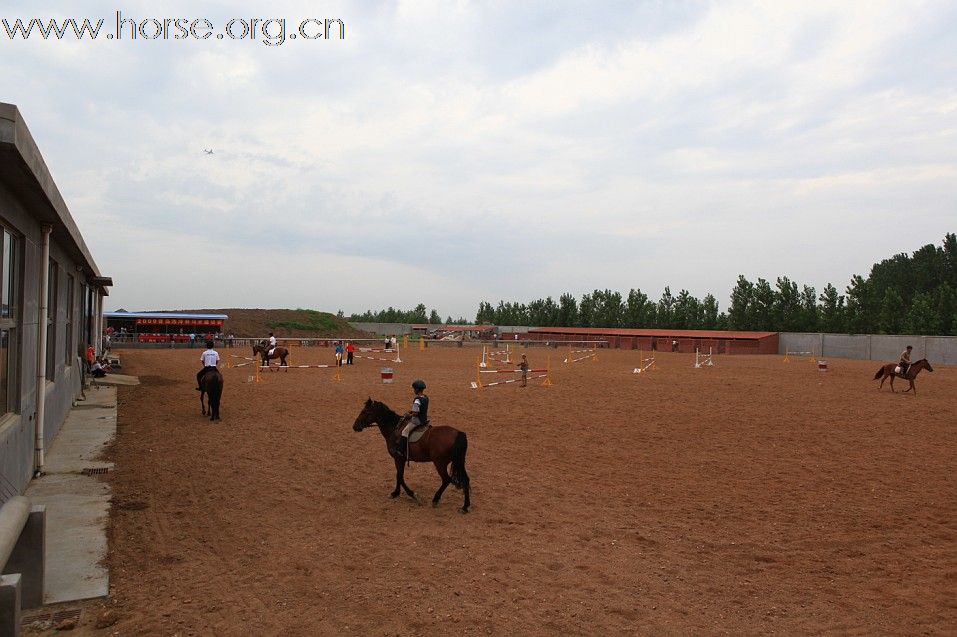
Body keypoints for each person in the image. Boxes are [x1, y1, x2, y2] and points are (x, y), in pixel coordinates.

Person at [391, 379, 429, 459]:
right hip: (424, 419)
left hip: (417, 421)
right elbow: (420, 409)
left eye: (414, 389)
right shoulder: (425, 397)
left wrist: (409, 415)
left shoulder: (417, 400)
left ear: (417, 389)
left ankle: (400, 451)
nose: (414, 390)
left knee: (404, 431)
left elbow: (415, 413)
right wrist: (411, 411)